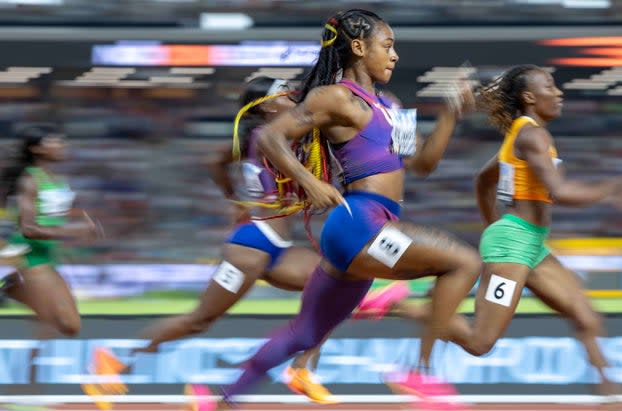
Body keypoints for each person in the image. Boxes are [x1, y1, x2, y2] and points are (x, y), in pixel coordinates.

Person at [187, 8, 481, 411]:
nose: (395, 56)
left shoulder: (391, 104)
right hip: (358, 223)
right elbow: (271, 136)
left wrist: (450, 113)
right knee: (463, 262)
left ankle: (223, 401)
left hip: (364, 228)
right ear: (358, 48)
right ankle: (420, 371)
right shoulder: (335, 97)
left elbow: (423, 165)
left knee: (305, 334)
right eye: (388, 46)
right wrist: (309, 181)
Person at [377, 64, 622, 409]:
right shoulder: (531, 136)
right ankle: (399, 305)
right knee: (479, 342)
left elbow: (483, 180)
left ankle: (614, 398)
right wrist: (611, 188)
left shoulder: (522, 134)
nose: (559, 92)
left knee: (585, 316)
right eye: (551, 86)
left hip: (529, 242)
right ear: (530, 97)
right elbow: (560, 191)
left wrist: (493, 225)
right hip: (513, 246)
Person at [81, 76, 343, 408]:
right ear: (264, 108)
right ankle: (114, 358)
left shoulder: (265, 136)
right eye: (283, 93)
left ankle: (302, 368)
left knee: (335, 286)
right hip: (251, 245)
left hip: (279, 246)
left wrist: (236, 197)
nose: (292, 97)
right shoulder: (267, 136)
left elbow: (215, 161)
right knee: (200, 320)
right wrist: (239, 199)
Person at [0, 125, 102, 407]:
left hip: (49, 258)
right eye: (53, 141)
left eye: (61, 140)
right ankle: (24, 395)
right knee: (45, 321)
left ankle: (10, 288)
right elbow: (29, 228)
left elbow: (54, 213)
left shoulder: (55, 178)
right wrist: (74, 231)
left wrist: (80, 219)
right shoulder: (29, 181)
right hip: (30, 255)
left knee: (70, 325)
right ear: (37, 149)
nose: (61, 145)